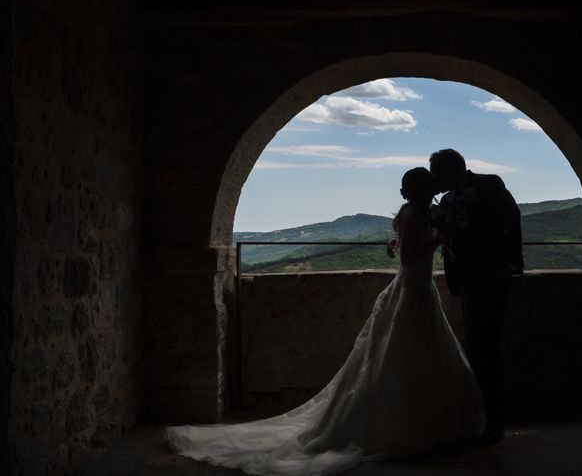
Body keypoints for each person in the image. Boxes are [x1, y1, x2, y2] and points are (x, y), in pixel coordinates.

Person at [164, 167, 485, 476]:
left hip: (419, 291)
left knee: (417, 356)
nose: (402, 189)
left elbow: (405, 245)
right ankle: (407, 428)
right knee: (407, 356)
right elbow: (409, 258)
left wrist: (405, 240)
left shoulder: (421, 214)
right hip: (411, 290)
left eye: (405, 184)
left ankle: (423, 424)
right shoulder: (418, 214)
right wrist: (438, 240)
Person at [429, 148, 523, 445]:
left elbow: (512, 216)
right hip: (467, 280)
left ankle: (496, 421)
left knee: (487, 347)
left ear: (452, 170)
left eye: (436, 172)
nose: (434, 178)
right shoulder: (445, 201)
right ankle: (483, 418)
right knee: (476, 346)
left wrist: (512, 261)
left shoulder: (488, 184)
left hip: (492, 276)